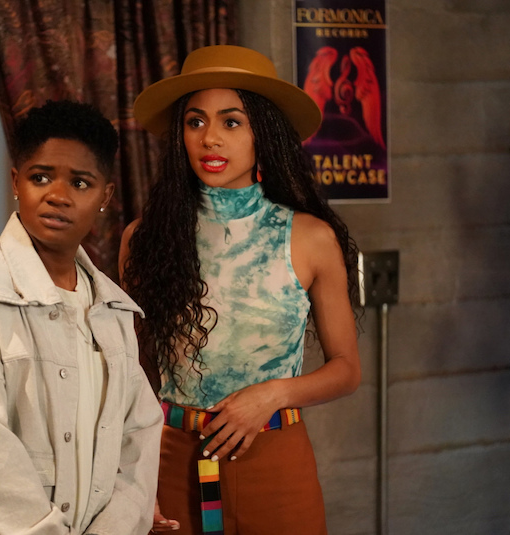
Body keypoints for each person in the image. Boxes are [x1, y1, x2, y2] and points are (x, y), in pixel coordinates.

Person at [119, 45, 362, 534]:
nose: (210, 138)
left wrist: (271, 394)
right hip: (171, 461)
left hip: (276, 463)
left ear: (262, 134)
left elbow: (346, 370)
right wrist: (132, 474)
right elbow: (129, 372)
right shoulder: (144, 238)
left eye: (231, 122)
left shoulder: (310, 238)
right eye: (195, 122)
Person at [0, 100, 163, 535]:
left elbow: (138, 441)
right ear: (16, 182)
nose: (58, 195)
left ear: (105, 196)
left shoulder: (112, 310)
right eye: (40, 177)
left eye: (80, 182)